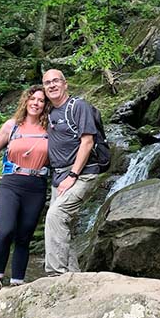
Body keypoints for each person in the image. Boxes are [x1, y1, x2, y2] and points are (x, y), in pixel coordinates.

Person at [0, 85, 50, 294]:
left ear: (45, 105)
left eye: (41, 100)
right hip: (11, 183)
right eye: (33, 99)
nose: (36, 103)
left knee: (24, 236)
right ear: (26, 101)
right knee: (6, 230)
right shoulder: (12, 126)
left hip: (36, 186)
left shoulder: (50, 129)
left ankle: (17, 282)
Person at [42, 69, 101, 275]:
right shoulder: (48, 113)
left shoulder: (78, 106)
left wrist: (73, 175)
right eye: (47, 82)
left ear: (65, 84)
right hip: (58, 176)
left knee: (56, 216)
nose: (52, 85)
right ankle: (73, 275)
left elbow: (87, 142)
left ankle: (55, 274)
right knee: (62, 225)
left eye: (56, 81)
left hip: (81, 174)